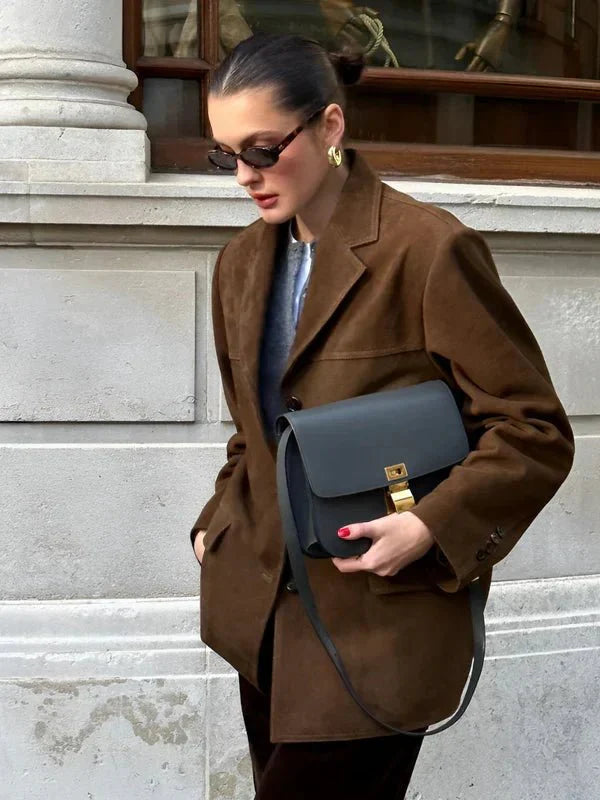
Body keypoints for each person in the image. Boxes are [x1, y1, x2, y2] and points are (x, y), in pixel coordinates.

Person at [189, 33, 574, 800]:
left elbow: (533, 431)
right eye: (225, 154)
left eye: (263, 150)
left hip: (378, 626)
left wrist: (430, 525)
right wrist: (215, 525)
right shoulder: (239, 264)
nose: (244, 176)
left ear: (329, 126)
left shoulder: (428, 250)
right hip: (260, 622)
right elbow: (254, 433)